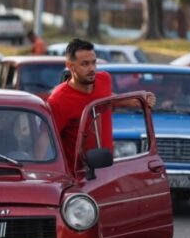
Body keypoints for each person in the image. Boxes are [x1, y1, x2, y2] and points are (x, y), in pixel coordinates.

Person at [47, 38, 156, 166]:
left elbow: (106, 97)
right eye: (85, 64)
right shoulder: (58, 100)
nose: (92, 68)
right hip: (77, 175)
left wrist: (136, 101)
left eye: (94, 63)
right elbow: (46, 139)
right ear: (70, 66)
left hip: (107, 169)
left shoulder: (104, 79)